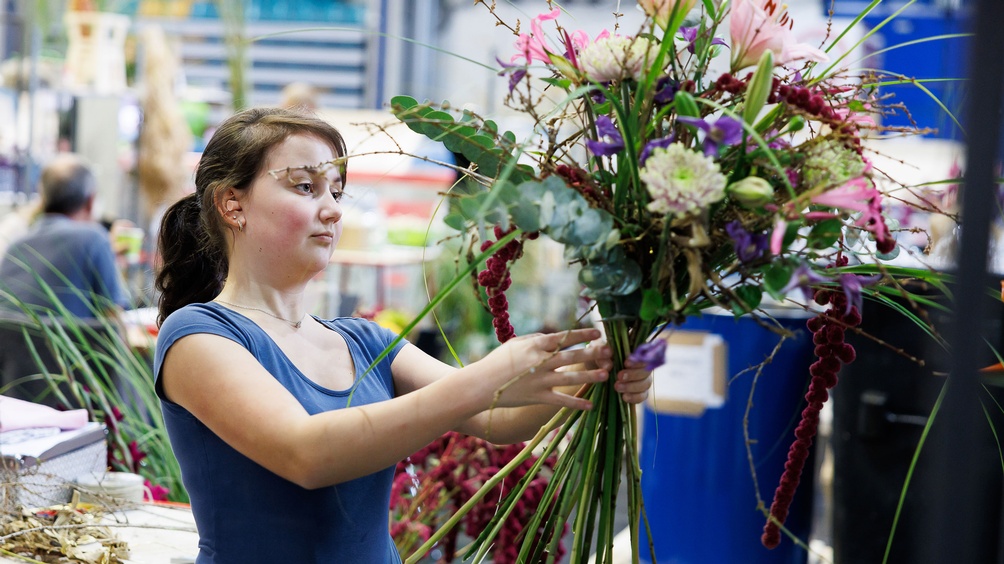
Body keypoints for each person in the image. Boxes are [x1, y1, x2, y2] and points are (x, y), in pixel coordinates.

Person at [153, 107, 653, 563]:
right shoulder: (197, 336)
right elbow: (306, 453)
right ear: (231, 205)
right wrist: (486, 377)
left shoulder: (365, 342)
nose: (332, 209)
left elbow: (498, 415)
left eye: (336, 191)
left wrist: (600, 368)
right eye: (305, 187)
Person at [0, 154, 128, 318]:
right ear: (90, 201)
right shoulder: (94, 239)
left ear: (42, 198)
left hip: (10, 344)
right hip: (72, 344)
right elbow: (113, 321)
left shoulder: (16, 247)